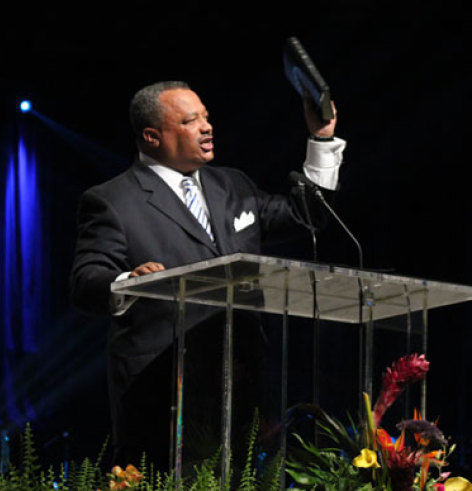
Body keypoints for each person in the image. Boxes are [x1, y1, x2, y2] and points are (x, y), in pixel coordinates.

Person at [69, 81, 345, 471]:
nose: (206, 126)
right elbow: (86, 282)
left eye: (206, 116)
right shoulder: (112, 200)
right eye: (189, 120)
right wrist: (131, 278)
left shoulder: (232, 185)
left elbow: (307, 215)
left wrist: (321, 139)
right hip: (163, 389)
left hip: (241, 384)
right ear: (151, 137)